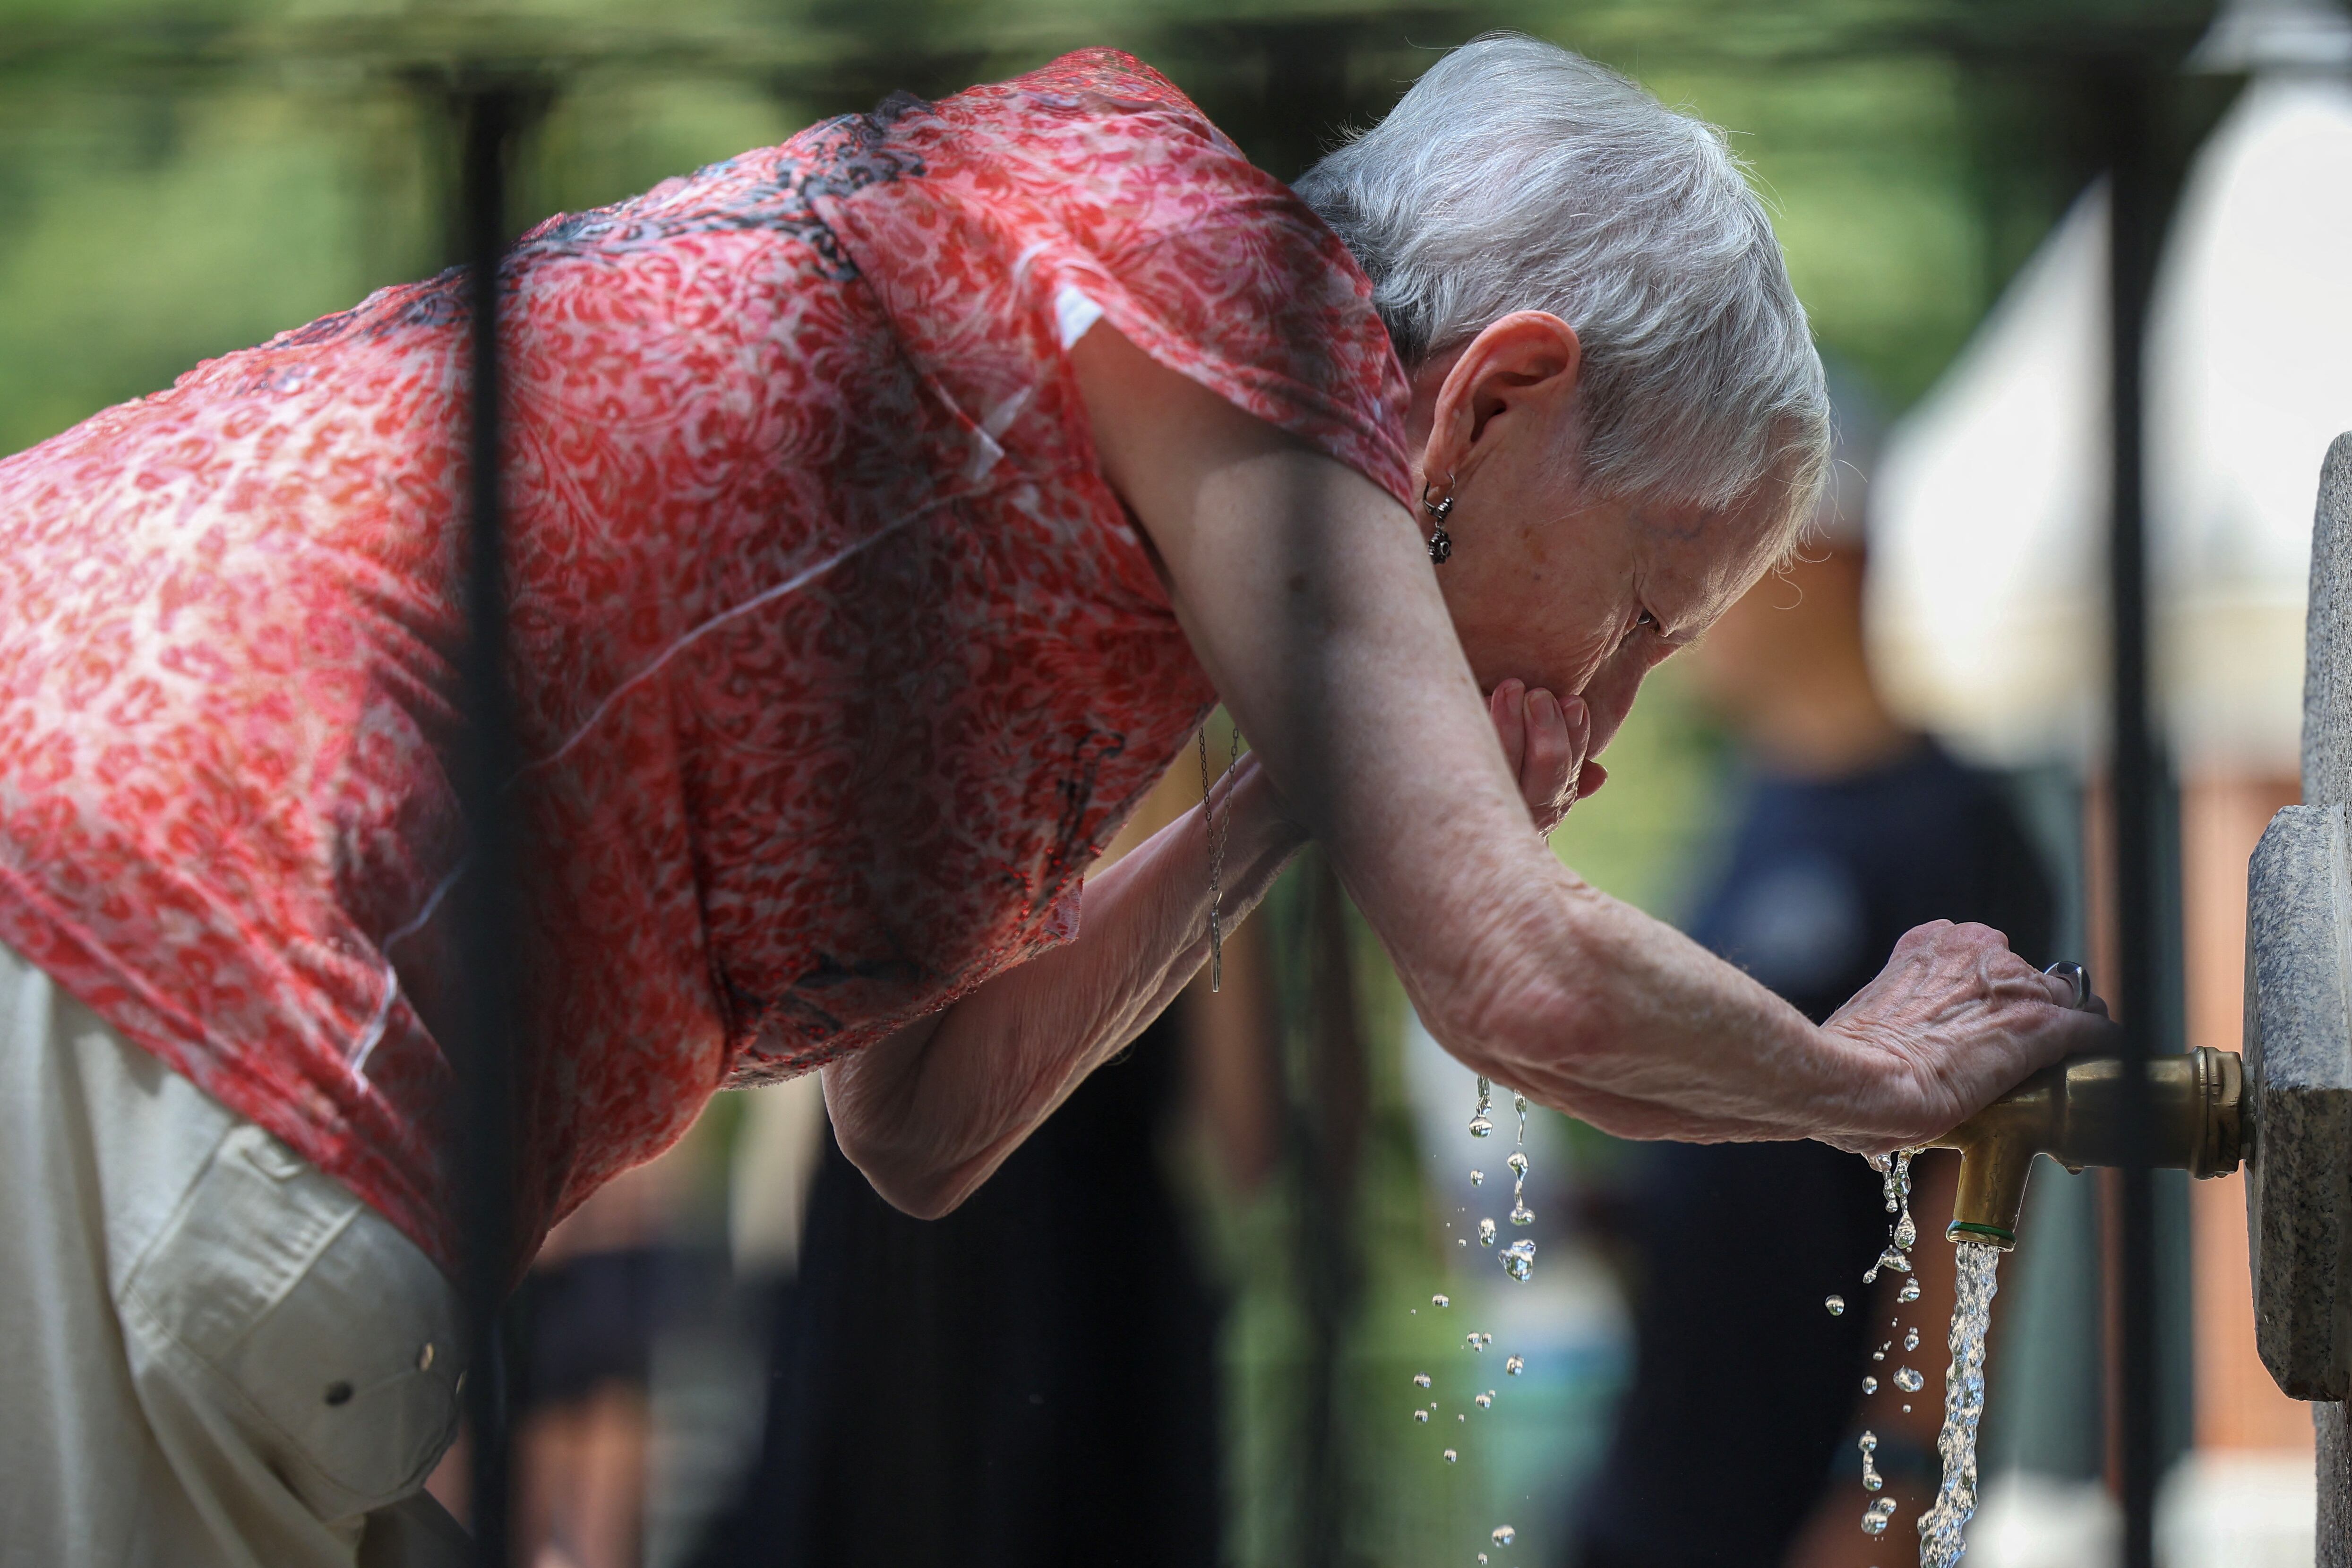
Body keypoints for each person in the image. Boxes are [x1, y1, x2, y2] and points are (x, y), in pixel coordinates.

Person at [0, 35, 2108, 1564]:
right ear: (1496, 390)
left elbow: (914, 1121)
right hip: (179, 967)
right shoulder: (1232, 306)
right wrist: (1874, 1078)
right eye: (1643, 603)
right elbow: (1513, 979)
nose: (1618, 704)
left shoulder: (1066, 335)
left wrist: (1296, 798)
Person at [1570, 390, 2056, 1568]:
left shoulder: (1953, 829)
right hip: (1660, 1478)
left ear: (1810, 544)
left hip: (1808, 1495)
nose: (1668, 593)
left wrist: (1891, 1486)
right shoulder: (1752, 803)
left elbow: (1973, 1190)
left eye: (1695, 541)